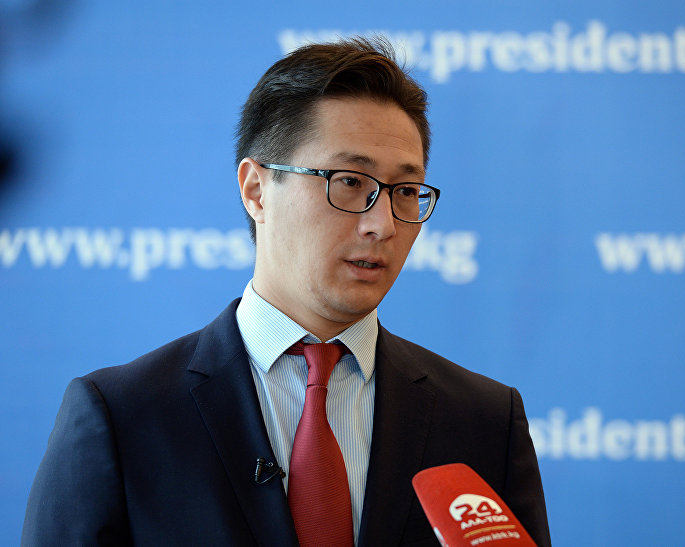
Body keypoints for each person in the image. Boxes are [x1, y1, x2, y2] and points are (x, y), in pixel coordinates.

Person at [22, 37, 550, 546]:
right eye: (350, 182)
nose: (383, 224)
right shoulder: (122, 417)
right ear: (256, 190)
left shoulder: (484, 422)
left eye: (406, 191)